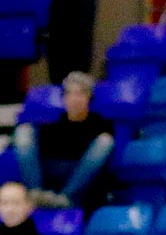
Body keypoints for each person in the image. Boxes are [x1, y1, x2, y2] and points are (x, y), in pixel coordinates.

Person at [13, 72, 114, 209]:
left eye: (80, 94)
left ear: (89, 96)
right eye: (69, 94)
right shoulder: (52, 124)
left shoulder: (102, 124)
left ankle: (66, 198)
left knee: (105, 140)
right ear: (64, 98)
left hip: (79, 177)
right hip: (50, 174)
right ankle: (36, 194)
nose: (74, 99)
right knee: (24, 130)